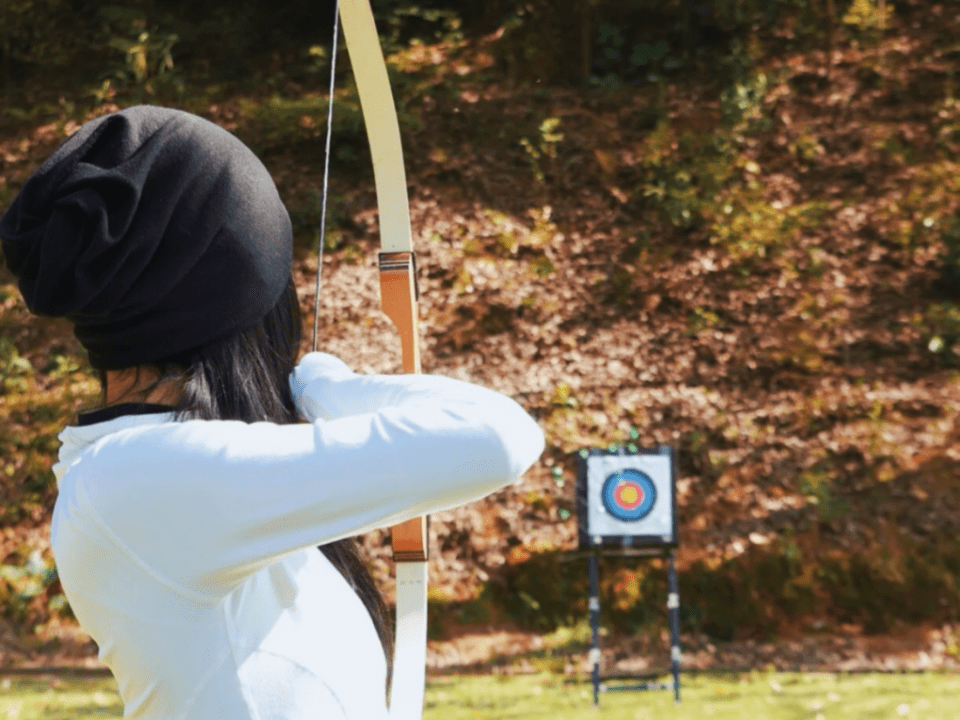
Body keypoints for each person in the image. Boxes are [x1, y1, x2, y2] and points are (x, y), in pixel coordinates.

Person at [0, 105, 544, 719]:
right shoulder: (139, 477)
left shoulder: (150, 475)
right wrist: (319, 386)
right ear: (233, 302)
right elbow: (499, 438)